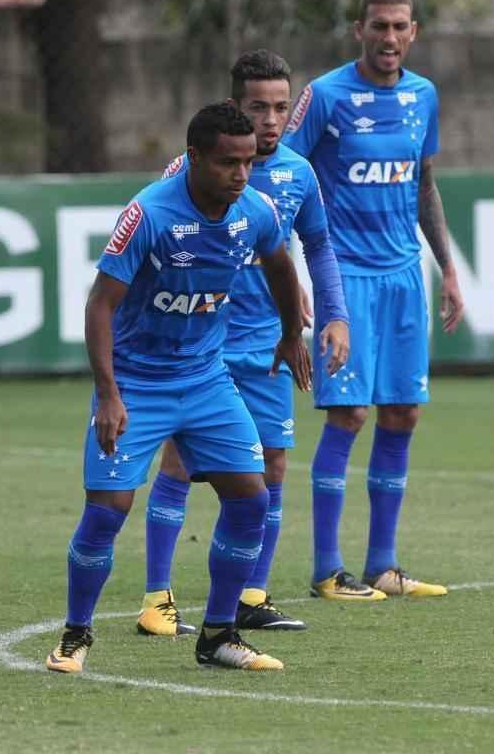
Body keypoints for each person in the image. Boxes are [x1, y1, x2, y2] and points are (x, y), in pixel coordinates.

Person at [46, 102, 312, 674]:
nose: (240, 175)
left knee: (252, 499)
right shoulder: (150, 214)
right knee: (108, 510)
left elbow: (281, 264)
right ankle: (76, 634)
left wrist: (292, 333)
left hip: (206, 379)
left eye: (246, 163)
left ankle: (218, 635)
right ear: (193, 158)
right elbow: (100, 303)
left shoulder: (255, 211)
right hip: (138, 383)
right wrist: (109, 392)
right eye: (226, 163)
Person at [134, 50, 351, 638]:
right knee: (179, 461)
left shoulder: (299, 175)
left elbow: (319, 247)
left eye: (282, 107)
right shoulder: (188, 171)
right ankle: (158, 598)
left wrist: (334, 315)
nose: (272, 119)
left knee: (273, 464)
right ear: (234, 107)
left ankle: (251, 593)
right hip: (204, 344)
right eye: (259, 106)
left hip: (271, 345)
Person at [281, 0, 464, 601]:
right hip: (347, 277)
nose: (390, 38)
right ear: (359, 29)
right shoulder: (325, 96)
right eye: (379, 26)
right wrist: (287, 270)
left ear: (414, 32)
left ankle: (383, 564)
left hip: (404, 277)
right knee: (349, 414)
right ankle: (328, 569)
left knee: (403, 413)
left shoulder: (423, 96)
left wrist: (449, 269)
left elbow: (424, 185)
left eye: (400, 27)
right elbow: (281, 175)